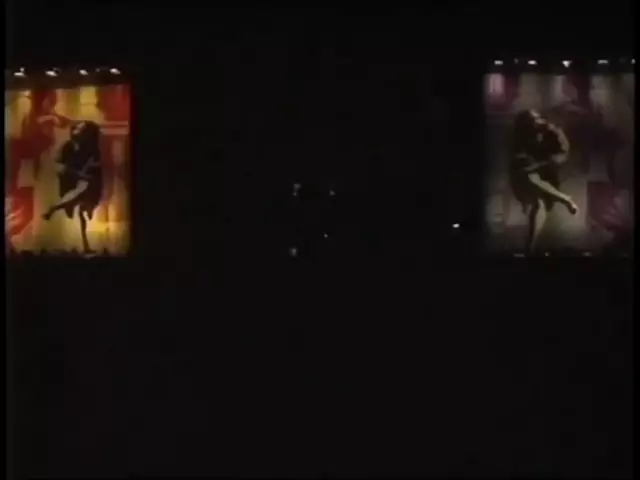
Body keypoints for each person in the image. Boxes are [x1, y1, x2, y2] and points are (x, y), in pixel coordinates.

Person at [509, 110, 579, 253]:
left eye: (537, 119)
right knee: (531, 181)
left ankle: (529, 249)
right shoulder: (518, 141)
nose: (537, 122)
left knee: (539, 205)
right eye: (532, 121)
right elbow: (520, 167)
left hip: (547, 178)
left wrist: (551, 131)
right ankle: (565, 199)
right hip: (524, 180)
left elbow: (562, 155)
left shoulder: (550, 132)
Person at [42, 121, 103, 254]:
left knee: (80, 196)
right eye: (76, 130)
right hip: (76, 181)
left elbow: (92, 167)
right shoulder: (70, 147)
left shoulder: (90, 149)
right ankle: (55, 209)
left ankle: (54, 209)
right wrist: (71, 171)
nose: (76, 132)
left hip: (88, 183)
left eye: (80, 129)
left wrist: (83, 173)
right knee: (77, 194)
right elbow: (62, 165)